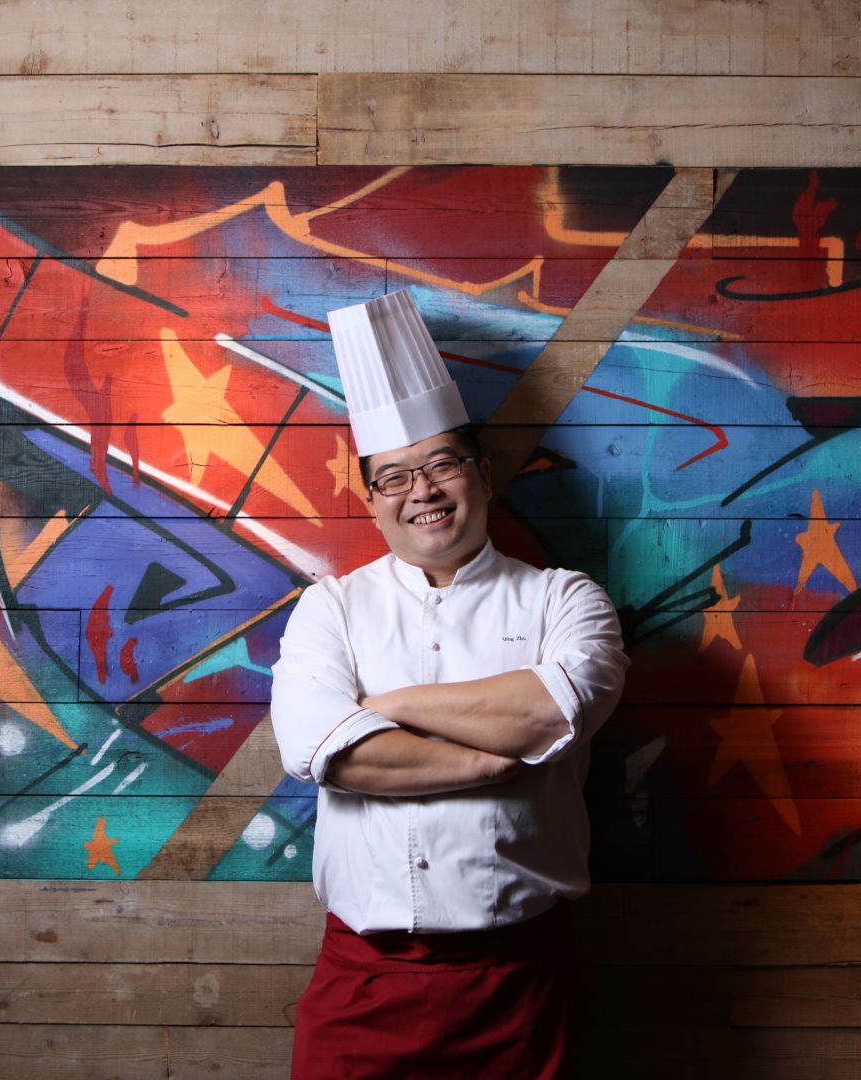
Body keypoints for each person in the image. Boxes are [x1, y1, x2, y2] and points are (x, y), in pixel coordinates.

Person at [270, 289, 629, 1079]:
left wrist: (384, 709)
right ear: (372, 500)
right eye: (395, 477)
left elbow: (550, 713)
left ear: (483, 474)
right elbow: (323, 750)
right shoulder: (331, 608)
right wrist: (490, 761)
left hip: (518, 980)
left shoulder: (564, 599)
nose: (423, 492)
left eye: (442, 464)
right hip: (363, 980)